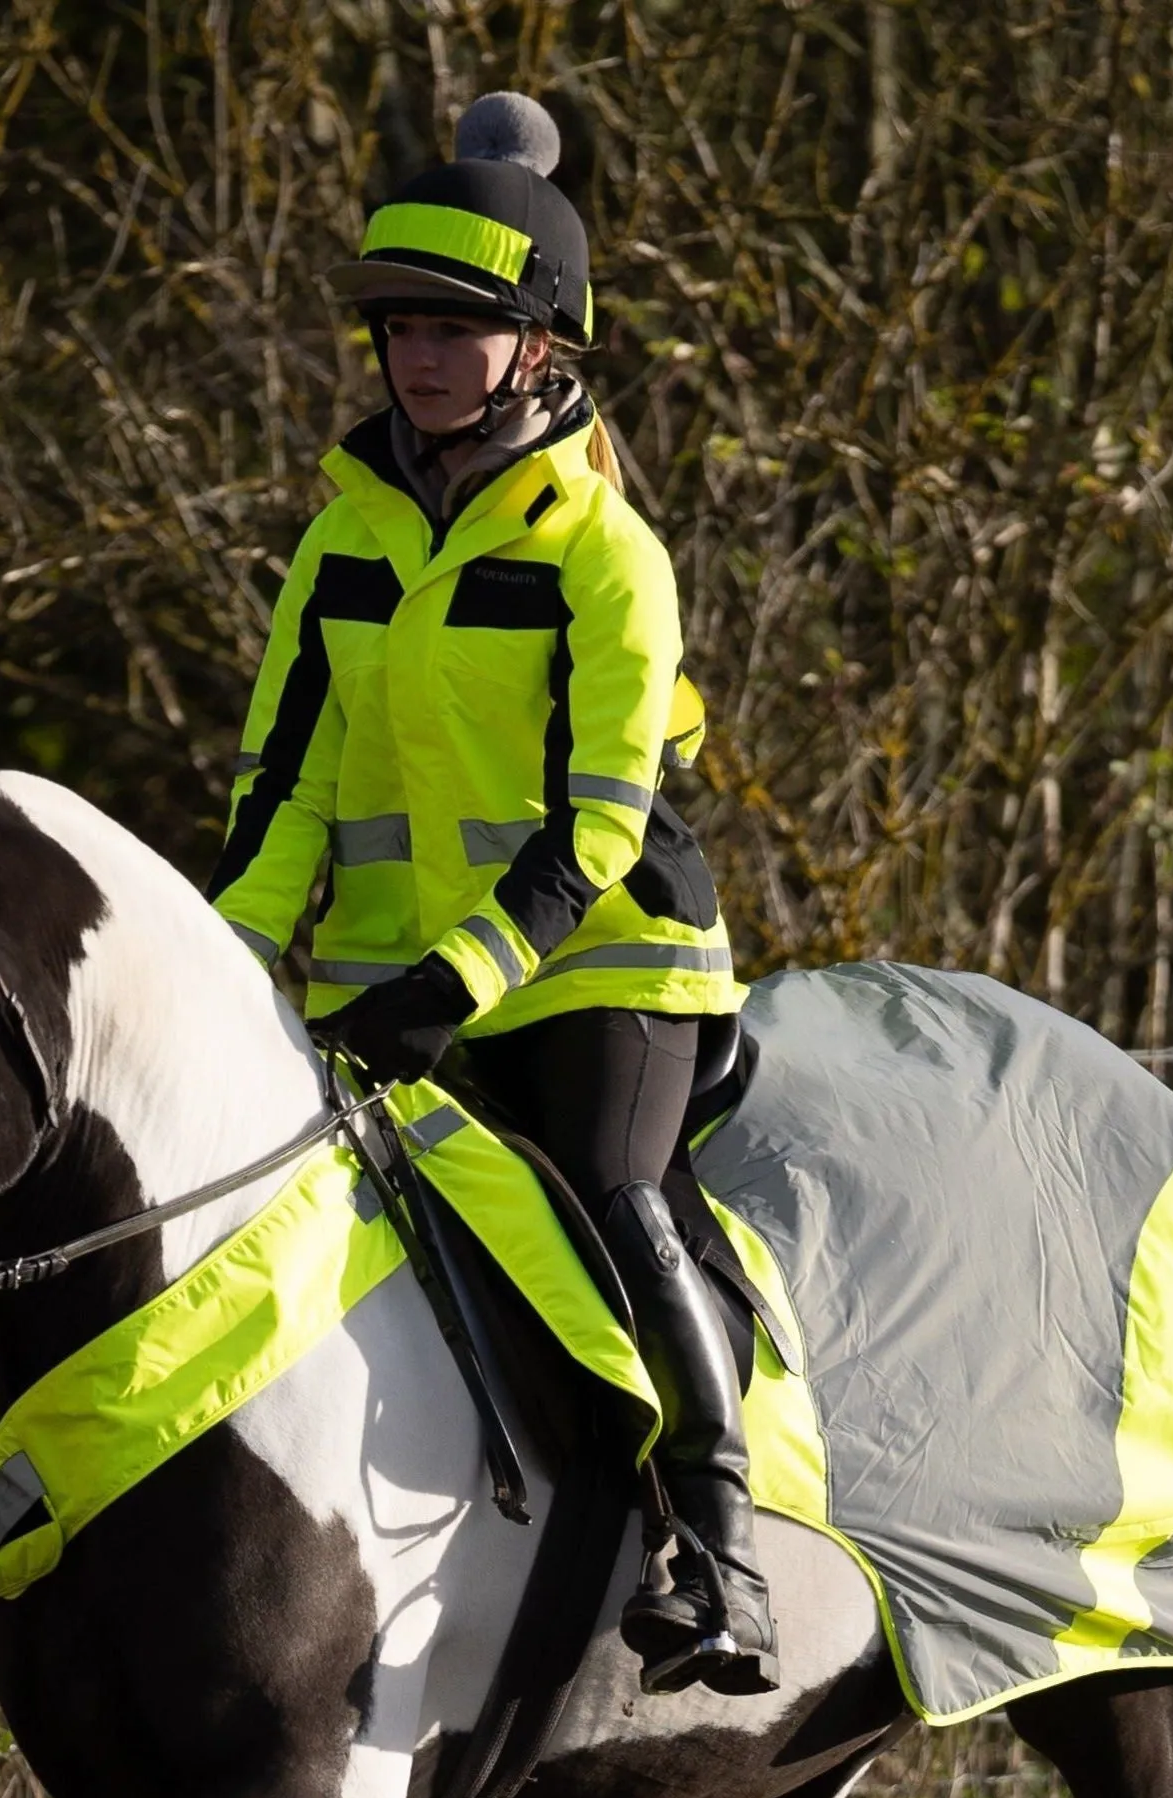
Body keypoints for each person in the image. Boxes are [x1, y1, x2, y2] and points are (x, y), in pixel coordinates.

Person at [208, 91, 776, 1697]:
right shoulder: (342, 547)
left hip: (602, 972)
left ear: (545, 348)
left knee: (612, 1197)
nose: (422, 355)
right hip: (383, 985)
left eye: (463, 329)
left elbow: (599, 827)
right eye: (401, 328)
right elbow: (285, 790)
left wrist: (458, 976)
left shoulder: (610, 556)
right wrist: (236, 969)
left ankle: (723, 1551)